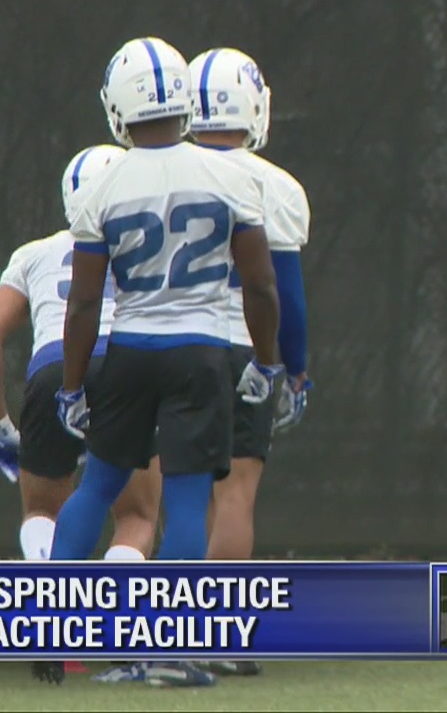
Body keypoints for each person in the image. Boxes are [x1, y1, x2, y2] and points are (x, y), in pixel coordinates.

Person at [40, 36, 284, 687]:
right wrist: (266, 361)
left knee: (97, 485)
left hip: (130, 349)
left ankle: (49, 626)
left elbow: (87, 301)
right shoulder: (232, 177)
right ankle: (170, 647)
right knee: (185, 497)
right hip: (200, 352)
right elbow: (260, 287)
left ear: (117, 108)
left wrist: (71, 387)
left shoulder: (106, 183)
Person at [185, 46, 313, 678]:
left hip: (164, 347)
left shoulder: (149, 172)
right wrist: (296, 367)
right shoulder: (275, 185)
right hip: (242, 347)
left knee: (177, 494)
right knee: (235, 495)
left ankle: (161, 632)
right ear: (255, 105)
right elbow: (283, 292)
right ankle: (218, 635)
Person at [0, 143, 160, 568]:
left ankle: (47, 594)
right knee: (135, 516)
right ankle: (115, 610)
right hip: (126, 369)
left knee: (42, 512)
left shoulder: (34, 254)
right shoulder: (152, 251)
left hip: (54, 371)